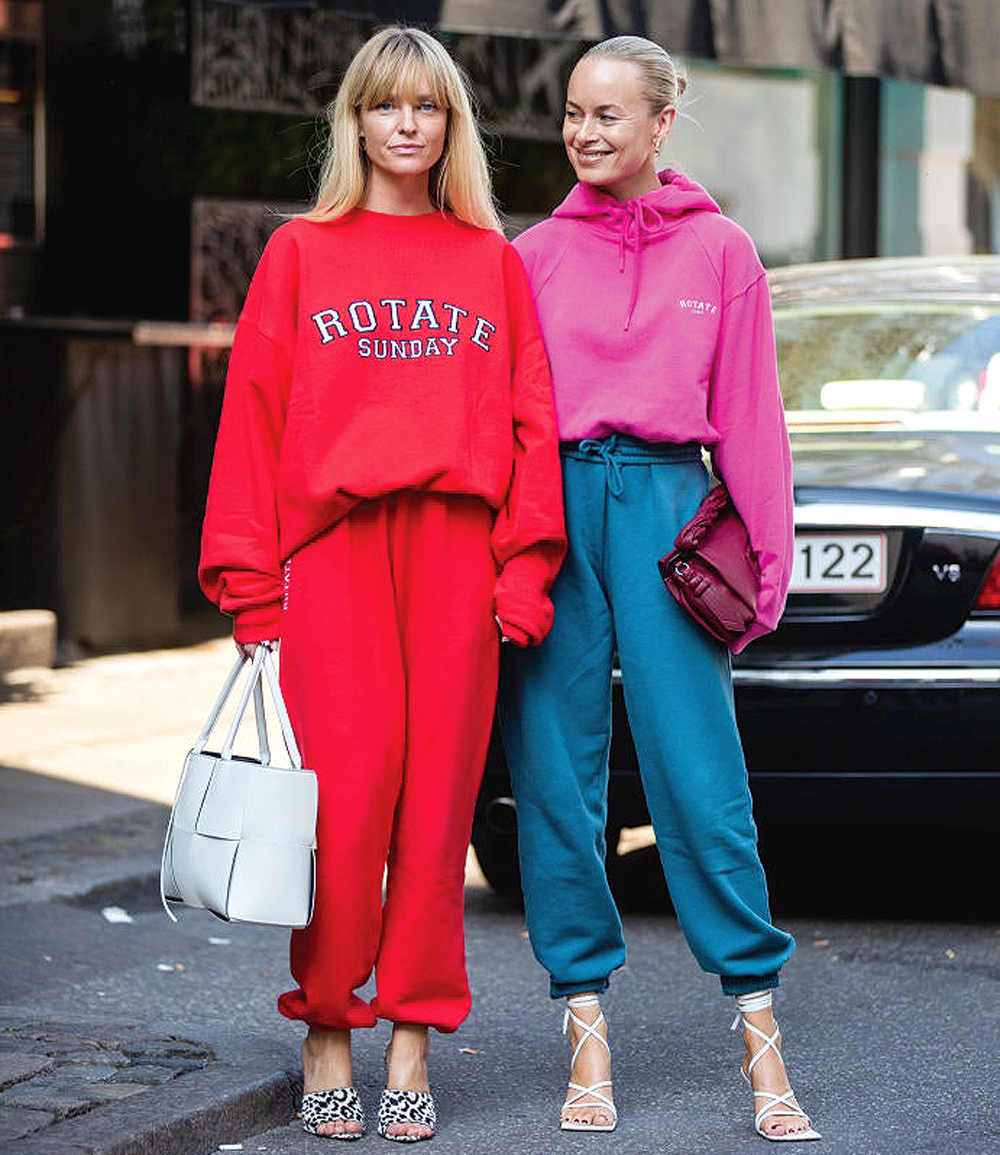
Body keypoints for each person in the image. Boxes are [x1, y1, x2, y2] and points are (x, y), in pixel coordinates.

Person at [199, 26, 565, 1142]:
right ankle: (325, 1028)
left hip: (455, 556)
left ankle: (409, 1034)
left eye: (429, 109)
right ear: (354, 121)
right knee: (341, 812)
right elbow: (252, 423)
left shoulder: (489, 262)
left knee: (435, 809)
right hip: (336, 555)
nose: (406, 125)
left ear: (450, 127)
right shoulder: (300, 255)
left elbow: (531, 424)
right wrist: (249, 585)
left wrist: (523, 573)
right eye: (385, 106)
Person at [499, 36, 820, 1142]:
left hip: (670, 509)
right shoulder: (532, 252)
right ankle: (584, 1027)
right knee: (554, 772)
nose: (585, 133)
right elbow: (507, 419)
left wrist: (763, 572)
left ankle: (759, 1035)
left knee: (699, 777)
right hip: (553, 506)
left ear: (661, 123)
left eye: (608, 115)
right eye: (574, 114)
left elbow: (752, 422)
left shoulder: (722, 251)